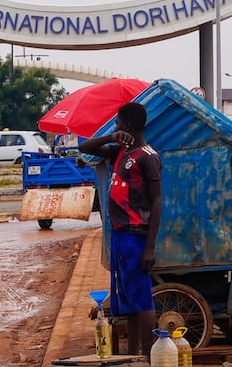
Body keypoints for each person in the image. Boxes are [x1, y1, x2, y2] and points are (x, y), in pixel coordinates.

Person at [78, 102, 162, 357]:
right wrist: (112, 137)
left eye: (117, 123)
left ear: (128, 125)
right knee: (128, 302)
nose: (115, 126)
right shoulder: (119, 152)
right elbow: (85, 147)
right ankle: (132, 354)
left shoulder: (148, 157)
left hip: (136, 236)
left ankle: (148, 358)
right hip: (120, 237)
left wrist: (150, 247)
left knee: (142, 301)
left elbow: (157, 202)